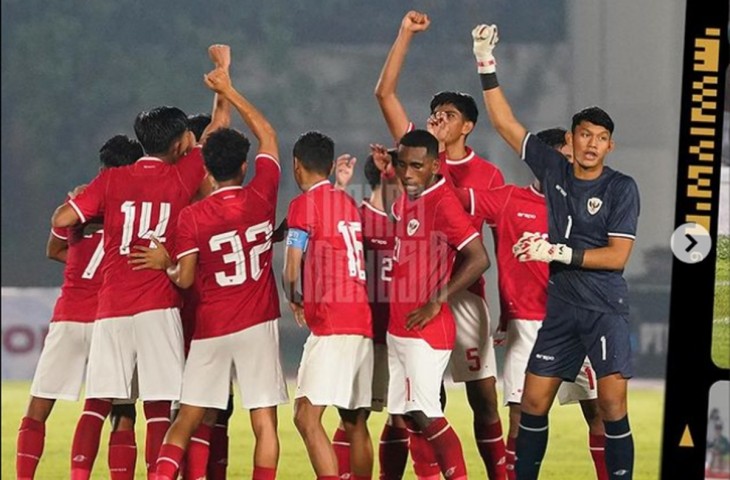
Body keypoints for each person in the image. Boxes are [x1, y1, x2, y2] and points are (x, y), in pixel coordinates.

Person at [51, 45, 230, 480]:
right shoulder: (179, 174)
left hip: (111, 309)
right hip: (157, 307)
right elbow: (219, 128)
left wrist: (89, 220)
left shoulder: (112, 179)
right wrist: (223, 75)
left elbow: (61, 219)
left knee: (102, 404)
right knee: (157, 408)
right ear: (177, 144)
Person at [472, 24, 640, 479]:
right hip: (561, 310)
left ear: (610, 145)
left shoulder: (621, 188)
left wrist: (558, 252)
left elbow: (617, 257)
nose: (591, 143)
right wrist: (485, 62)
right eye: (583, 134)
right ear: (572, 139)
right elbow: (506, 126)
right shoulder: (554, 170)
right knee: (531, 403)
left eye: (600, 137)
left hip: (603, 307)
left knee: (609, 405)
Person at [130, 65, 288, 480]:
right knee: (263, 424)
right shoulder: (262, 195)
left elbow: (183, 278)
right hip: (258, 324)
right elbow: (268, 134)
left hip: (211, 327)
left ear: (207, 169)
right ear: (244, 164)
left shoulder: (194, 217)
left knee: (185, 421)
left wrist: (165, 263)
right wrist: (229, 89)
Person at [375, 11, 507, 478]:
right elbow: (385, 93)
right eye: (435, 113)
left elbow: (491, 247)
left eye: (447, 115)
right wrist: (405, 32)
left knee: (482, 397)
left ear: (467, 127)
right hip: (417, 298)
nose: (436, 118)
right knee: (411, 405)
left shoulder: (485, 175)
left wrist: (506, 306)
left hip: (464, 298)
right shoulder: (418, 163)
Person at [451, 127, 608, 480]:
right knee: (521, 416)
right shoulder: (508, 200)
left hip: (576, 323)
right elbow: (451, 197)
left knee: (598, 412)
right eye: (562, 160)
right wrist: (427, 162)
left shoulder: (588, 208)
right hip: (528, 326)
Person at [16, 135, 142, 480]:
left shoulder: (81, 203)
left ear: (102, 168)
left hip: (69, 315)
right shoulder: (139, 210)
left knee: (38, 406)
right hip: (111, 320)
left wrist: (84, 266)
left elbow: (53, 249)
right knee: (120, 410)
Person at [385, 129, 489, 479]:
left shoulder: (443, 203)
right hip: (400, 326)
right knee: (402, 416)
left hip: (426, 330)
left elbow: (479, 257)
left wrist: (437, 299)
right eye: (402, 165)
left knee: (426, 414)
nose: (408, 173)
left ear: (433, 165)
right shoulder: (406, 198)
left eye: (417, 166)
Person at [282, 131, 374, 480]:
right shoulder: (347, 202)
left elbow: (292, 265)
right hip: (360, 319)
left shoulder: (303, 205)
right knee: (354, 422)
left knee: (306, 416)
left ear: (297, 165)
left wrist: (294, 297)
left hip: (333, 322)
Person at [330, 150, 411, 480]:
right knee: (353, 415)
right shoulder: (356, 218)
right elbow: (327, 224)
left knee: (401, 415)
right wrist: (338, 187)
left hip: (402, 336)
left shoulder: (411, 221)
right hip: (364, 334)